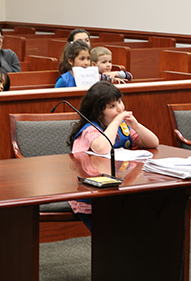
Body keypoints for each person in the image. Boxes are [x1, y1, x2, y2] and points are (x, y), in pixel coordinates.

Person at [67, 81, 159, 230]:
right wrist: (116, 121)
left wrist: (135, 125)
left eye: (119, 102)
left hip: (115, 187)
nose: (120, 108)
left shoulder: (124, 128)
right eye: (112, 106)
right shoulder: (90, 130)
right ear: (98, 112)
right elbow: (102, 148)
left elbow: (153, 142)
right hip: (90, 193)